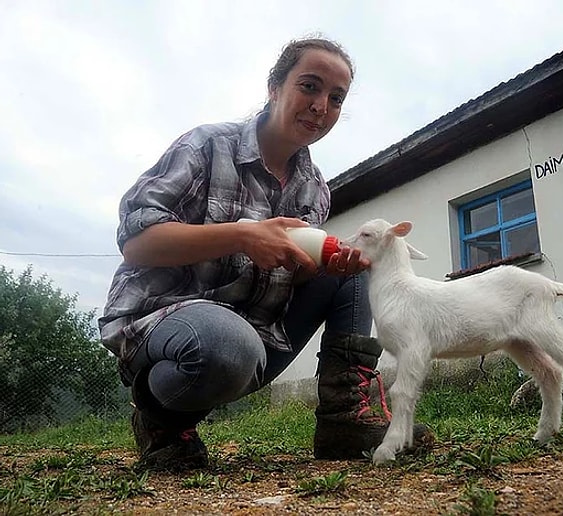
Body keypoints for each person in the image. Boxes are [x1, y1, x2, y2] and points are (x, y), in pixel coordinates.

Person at [99, 36, 426, 472]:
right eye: (308, 86)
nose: (320, 105)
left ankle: (344, 417)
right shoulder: (205, 147)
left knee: (356, 263)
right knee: (225, 344)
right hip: (164, 326)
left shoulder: (314, 189)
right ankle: (161, 420)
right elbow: (136, 241)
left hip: (255, 338)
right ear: (274, 87)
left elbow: (292, 276)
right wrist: (242, 235)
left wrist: (318, 268)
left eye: (336, 97)